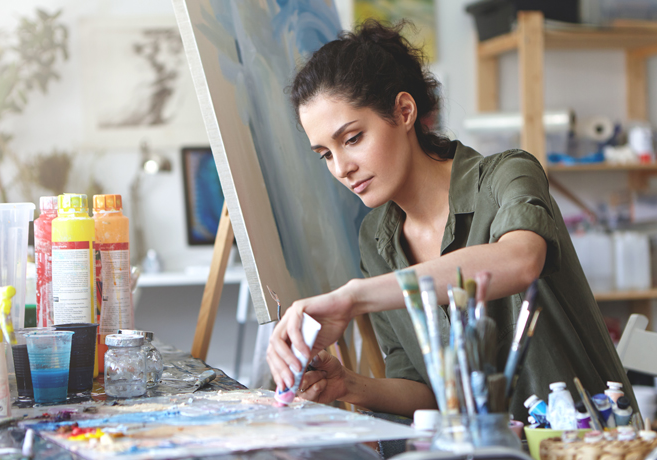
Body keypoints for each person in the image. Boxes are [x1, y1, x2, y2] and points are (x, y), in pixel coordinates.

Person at [266, 19, 635, 422]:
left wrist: (353, 297)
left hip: (584, 446)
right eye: (325, 154)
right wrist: (349, 386)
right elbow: (430, 393)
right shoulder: (377, 239)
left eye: (352, 139)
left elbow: (520, 260)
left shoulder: (506, 174)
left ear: (404, 111)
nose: (341, 168)